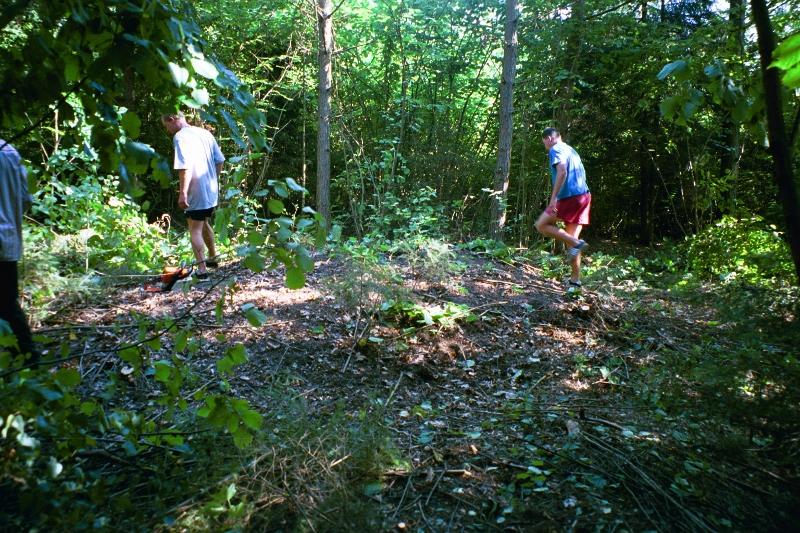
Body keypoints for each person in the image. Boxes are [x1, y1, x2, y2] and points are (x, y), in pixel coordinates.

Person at [160, 112, 225, 279]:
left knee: (194, 229)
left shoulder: (181, 137)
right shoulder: (204, 133)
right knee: (203, 222)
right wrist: (212, 179)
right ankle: (212, 258)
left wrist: (183, 192)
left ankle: (202, 270)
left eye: (166, 126)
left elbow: (184, 166)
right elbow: (220, 160)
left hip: (196, 191)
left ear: (172, 119)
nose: (168, 131)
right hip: (211, 190)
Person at [534, 127, 591, 290]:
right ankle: (575, 282)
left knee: (541, 225)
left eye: (544, 141)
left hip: (569, 197)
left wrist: (553, 198)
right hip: (583, 196)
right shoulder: (570, 149)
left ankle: (576, 242)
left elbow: (562, 170)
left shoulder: (556, 148)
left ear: (549, 139)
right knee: (570, 241)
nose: (545, 144)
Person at [0, 139, 39, 362]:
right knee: (7, 303)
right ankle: (27, 361)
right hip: (8, 241)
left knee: (6, 306)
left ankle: (28, 362)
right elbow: (25, 199)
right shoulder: (10, 151)